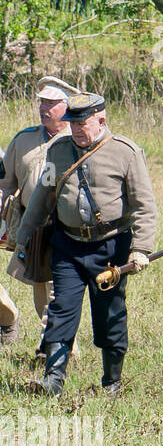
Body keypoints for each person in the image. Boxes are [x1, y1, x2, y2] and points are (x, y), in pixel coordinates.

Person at [13, 93, 159, 395]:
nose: (76, 130)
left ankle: (112, 383)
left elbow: (145, 205)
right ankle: (53, 380)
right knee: (60, 310)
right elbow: (43, 194)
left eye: (83, 123)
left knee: (109, 315)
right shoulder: (58, 152)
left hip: (111, 248)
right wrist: (23, 234)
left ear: (101, 120)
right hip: (67, 245)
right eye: (72, 123)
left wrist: (141, 248)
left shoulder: (126, 153)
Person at [2, 77, 79, 347]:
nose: (44, 108)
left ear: (67, 107)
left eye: (51, 103)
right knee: (41, 291)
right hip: (33, 228)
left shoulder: (79, 140)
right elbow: (6, 184)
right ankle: (56, 345)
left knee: (60, 290)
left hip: (68, 226)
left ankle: (58, 349)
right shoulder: (23, 139)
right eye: (42, 102)